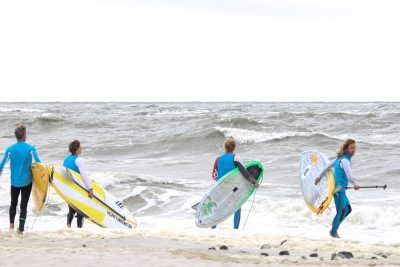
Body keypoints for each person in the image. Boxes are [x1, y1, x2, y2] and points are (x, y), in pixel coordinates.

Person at [315, 139, 360, 238]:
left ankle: (334, 229)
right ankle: (333, 232)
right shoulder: (344, 160)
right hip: (338, 190)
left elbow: (326, 167)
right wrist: (355, 184)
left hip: (341, 190)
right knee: (341, 211)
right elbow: (349, 177)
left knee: (347, 209)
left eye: (354, 148)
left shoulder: (339, 159)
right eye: (351, 148)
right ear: (346, 148)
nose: (353, 150)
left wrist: (319, 176)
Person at [211, 138, 259, 229]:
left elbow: (214, 175)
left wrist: (219, 183)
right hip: (233, 188)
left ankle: (213, 228)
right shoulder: (235, 157)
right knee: (237, 206)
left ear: (224, 147)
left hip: (221, 187)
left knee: (219, 207)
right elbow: (244, 173)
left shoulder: (218, 159)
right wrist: (254, 182)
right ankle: (235, 229)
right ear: (234, 147)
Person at [0, 125, 41, 233]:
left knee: (13, 203)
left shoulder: (10, 149)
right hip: (27, 182)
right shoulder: (30, 149)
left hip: (14, 182)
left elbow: (2, 165)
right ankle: (21, 229)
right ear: (24, 136)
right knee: (24, 205)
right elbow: (39, 163)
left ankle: (11, 227)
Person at [63, 140, 93, 228]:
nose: (81, 148)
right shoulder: (79, 160)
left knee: (71, 210)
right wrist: (90, 188)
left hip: (68, 188)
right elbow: (84, 176)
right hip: (78, 188)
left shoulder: (66, 160)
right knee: (80, 211)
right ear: (77, 149)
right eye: (80, 147)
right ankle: (79, 229)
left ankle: (68, 226)